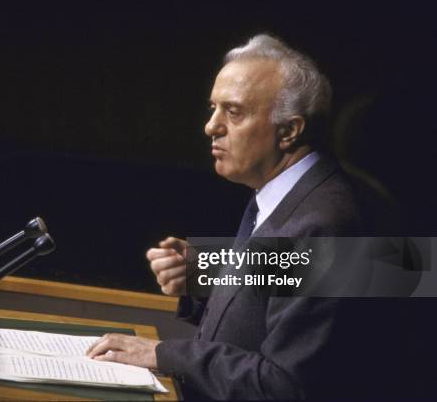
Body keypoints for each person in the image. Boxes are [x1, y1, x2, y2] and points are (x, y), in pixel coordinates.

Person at [86, 34, 410, 399]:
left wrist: (162, 354)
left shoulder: (324, 224)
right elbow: (279, 293)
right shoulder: (290, 193)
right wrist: (200, 271)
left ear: (288, 131)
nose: (211, 126)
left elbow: (284, 384)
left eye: (233, 112)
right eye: (213, 108)